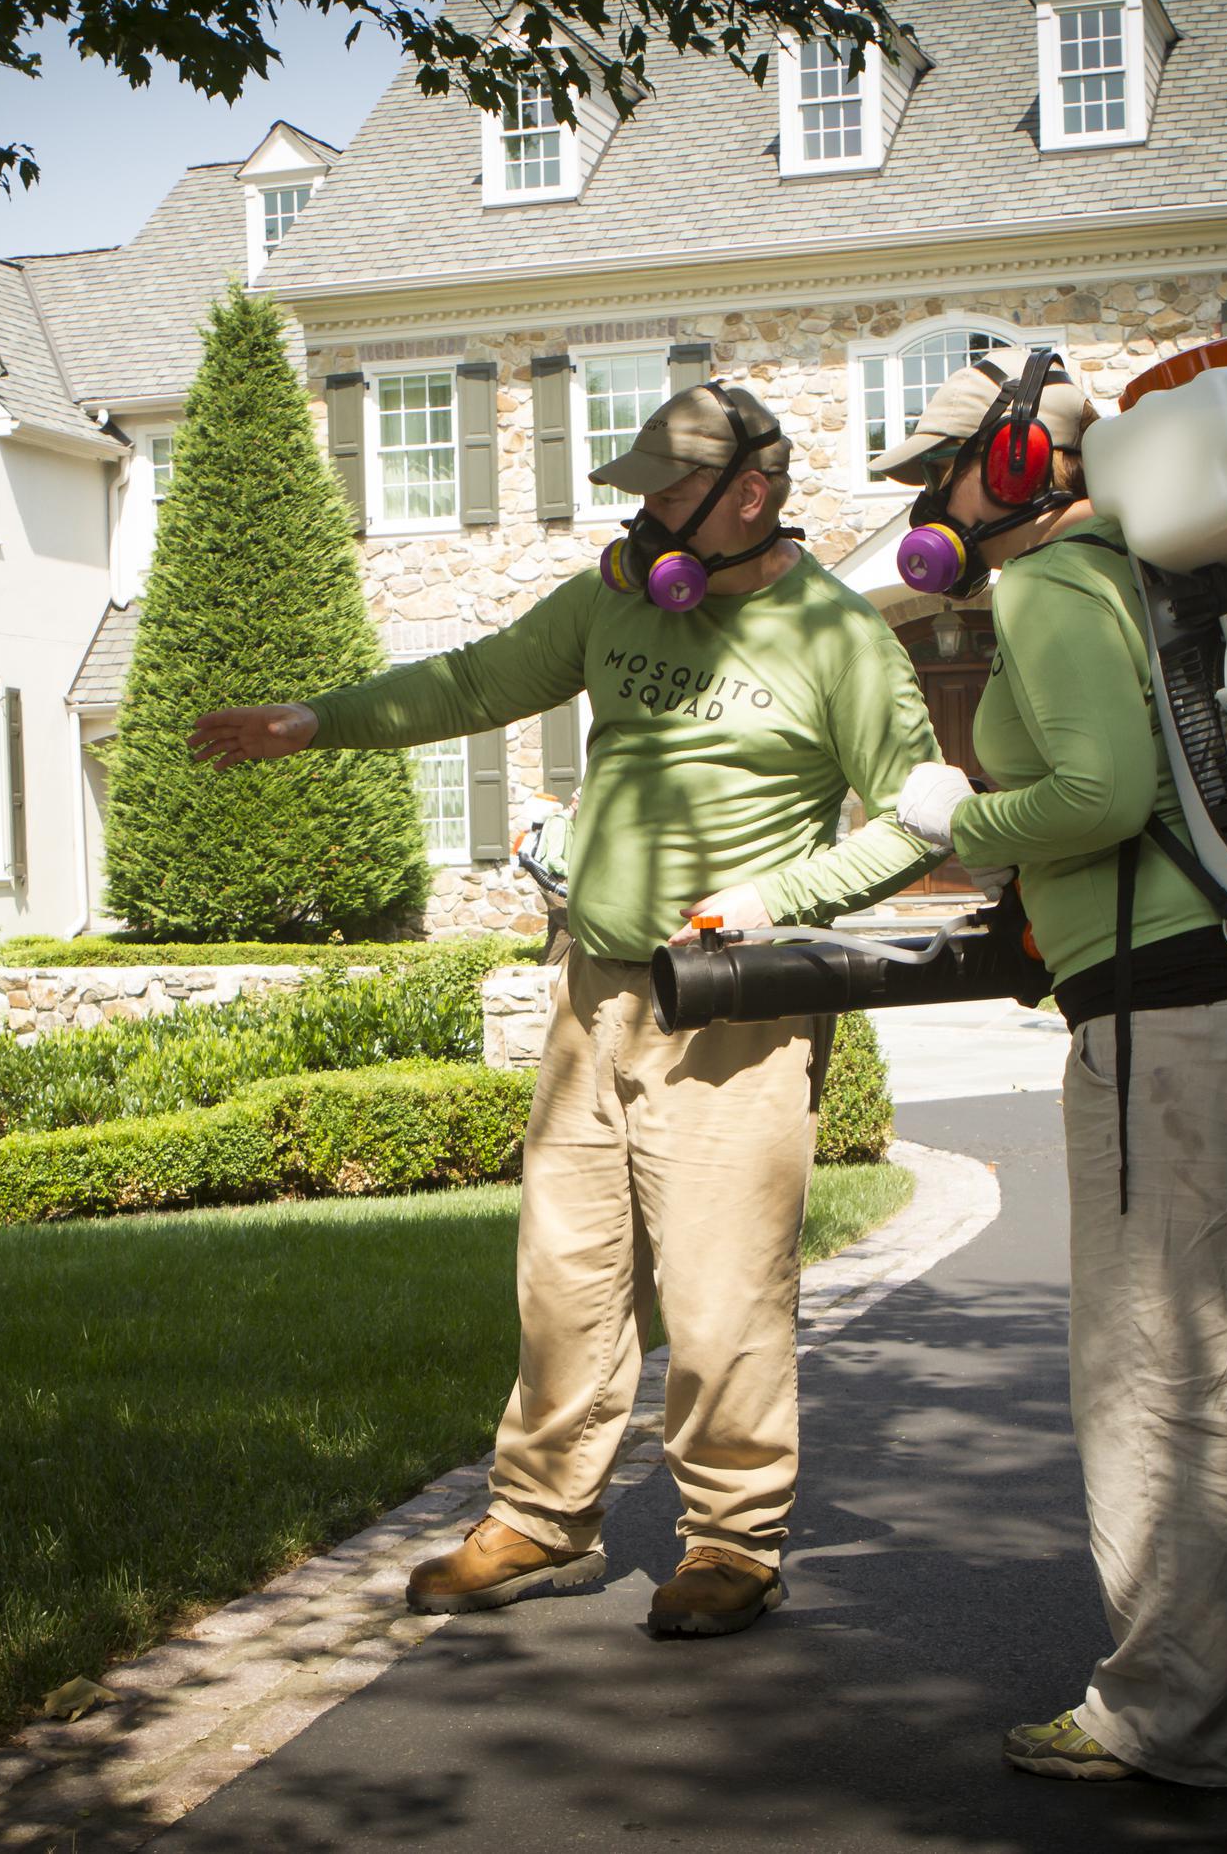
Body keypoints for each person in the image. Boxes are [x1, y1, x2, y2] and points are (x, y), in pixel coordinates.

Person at [192, 382, 944, 1638]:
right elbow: (474, 681)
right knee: (565, 1278)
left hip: (732, 1013)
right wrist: (316, 724)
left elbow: (922, 825)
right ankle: (542, 1520)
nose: (644, 512)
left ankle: (732, 1540)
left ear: (748, 495)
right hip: (593, 997)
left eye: (667, 490)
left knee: (720, 1295)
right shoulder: (614, 599)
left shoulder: (841, 640)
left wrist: (769, 903)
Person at [880, 353, 1227, 1786]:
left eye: (942, 470)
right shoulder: (1187, 568)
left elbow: (1098, 794)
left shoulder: (1047, 587)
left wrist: (955, 813)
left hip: (1172, 1025)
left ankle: (1167, 1712)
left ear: (1025, 459)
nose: (929, 501)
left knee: (1164, 1371)